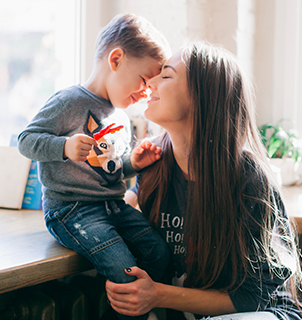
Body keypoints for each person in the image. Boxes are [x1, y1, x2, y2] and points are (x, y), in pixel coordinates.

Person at [105, 42, 302, 320]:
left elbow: (251, 297)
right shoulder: (153, 166)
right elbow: (122, 206)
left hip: (261, 312)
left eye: (167, 75)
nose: (150, 82)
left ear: (202, 96)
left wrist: (157, 295)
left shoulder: (250, 180)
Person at [18, 13, 172, 320]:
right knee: (124, 270)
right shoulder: (69, 101)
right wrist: (64, 147)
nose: (146, 93)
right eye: (144, 80)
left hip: (111, 206)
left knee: (159, 254)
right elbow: (26, 140)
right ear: (116, 59)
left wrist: (133, 163)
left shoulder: (121, 117)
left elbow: (110, 170)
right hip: (70, 209)